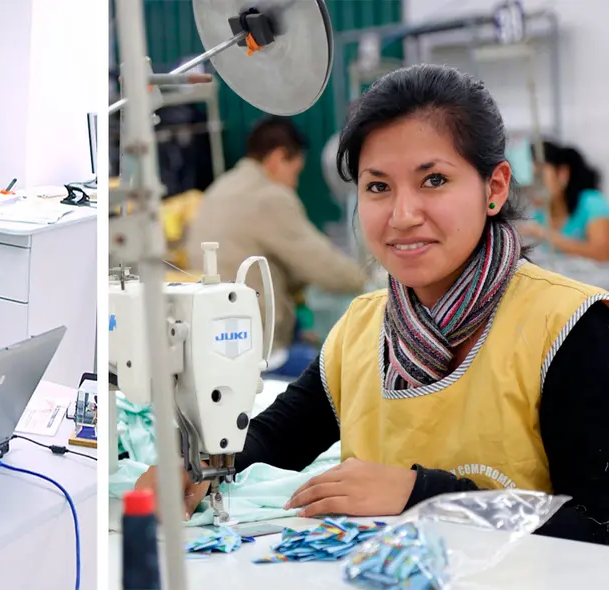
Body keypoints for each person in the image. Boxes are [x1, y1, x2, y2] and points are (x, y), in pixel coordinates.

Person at [135, 64, 609, 545]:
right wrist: (198, 463)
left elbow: (598, 524)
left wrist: (422, 494)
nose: (402, 216)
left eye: (434, 180)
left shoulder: (569, 328)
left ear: (495, 187)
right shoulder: (362, 329)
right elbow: (275, 438)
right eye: (378, 186)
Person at [184, 116, 369, 375]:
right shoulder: (268, 197)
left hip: (215, 337)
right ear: (278, 158)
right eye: (295, 172)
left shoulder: (221, 187)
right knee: (343, 373)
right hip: (258, 347)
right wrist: (371, 281)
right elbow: (322, 265)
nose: (295, 183)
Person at [519, 140, 609, 261]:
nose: (534, 186)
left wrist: (545, 234)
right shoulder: (537, 215)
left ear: (562, 174)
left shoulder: (592, 202)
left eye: (539, 178)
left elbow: (602, 253)